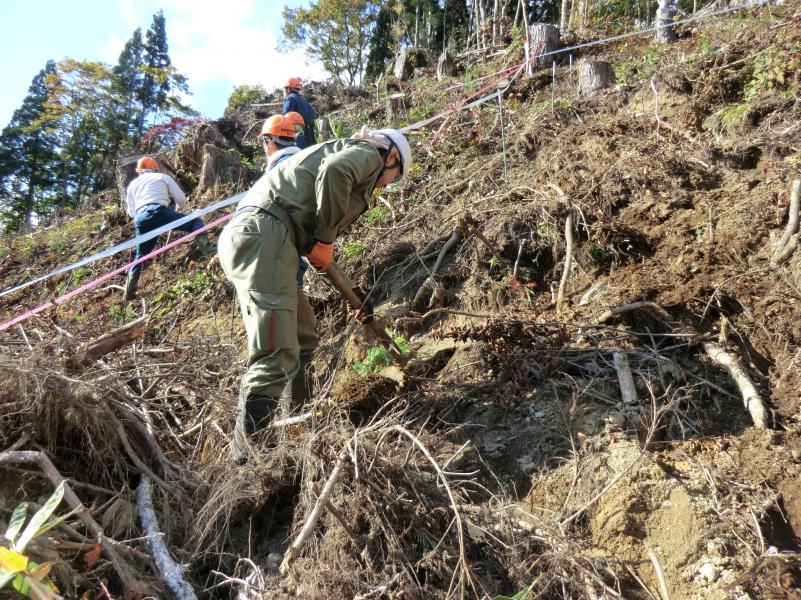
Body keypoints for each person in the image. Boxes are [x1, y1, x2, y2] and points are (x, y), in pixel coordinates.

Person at [218, 127, 412, 462]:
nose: (386, 185)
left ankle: (299, 434)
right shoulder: (368, 152)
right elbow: (335, 172)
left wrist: (351, 289)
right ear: (392, 156)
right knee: (275, 350)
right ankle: (247, 464)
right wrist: (324, 240)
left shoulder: (338, 156)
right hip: (265, 234)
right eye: (393, 178)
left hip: (271, 240)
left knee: (303, 337)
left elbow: (317, 242)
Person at [123, 156, 214, 301]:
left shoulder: (132, 185)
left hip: (141, 219)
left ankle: (128, 291)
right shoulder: (162, 177)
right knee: (195, 222)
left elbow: (131, 212)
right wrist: (176, 207)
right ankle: (206, 249)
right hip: (159, 212)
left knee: (140, 256)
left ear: (139, 171)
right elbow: (182, 200)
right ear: (154, 168)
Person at [282, 77, 316, 148]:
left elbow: (285, 118)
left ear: (289, 89)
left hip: (297, 140)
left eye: (284, 89)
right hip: (310, 138)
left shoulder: (291, 98)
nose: (284, 92)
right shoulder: (306, 103)